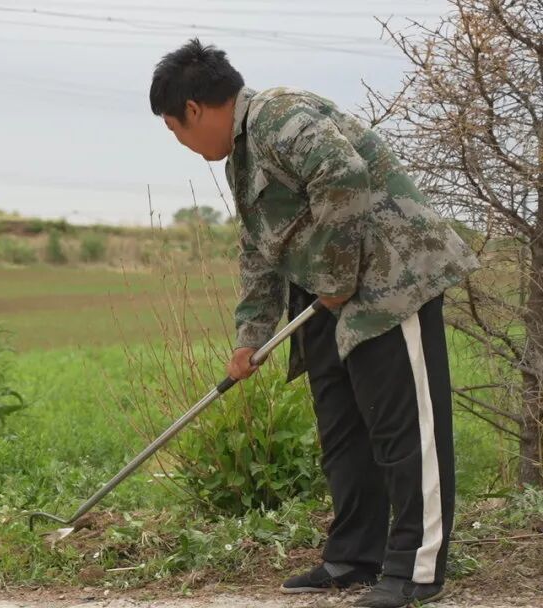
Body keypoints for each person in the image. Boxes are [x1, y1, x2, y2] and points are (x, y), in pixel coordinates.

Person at [149, 40, 478, 608]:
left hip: (390, 280)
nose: (181, 142)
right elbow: (258, 251)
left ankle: (417, 570)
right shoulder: (242, 158)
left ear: (196, 110)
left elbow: (342, 172)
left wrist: (335, 272)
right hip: (330, 295)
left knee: (405, 430)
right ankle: (355, 556)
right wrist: (251, 336)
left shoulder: (279, 114)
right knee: (343, 425)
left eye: (175, 129)